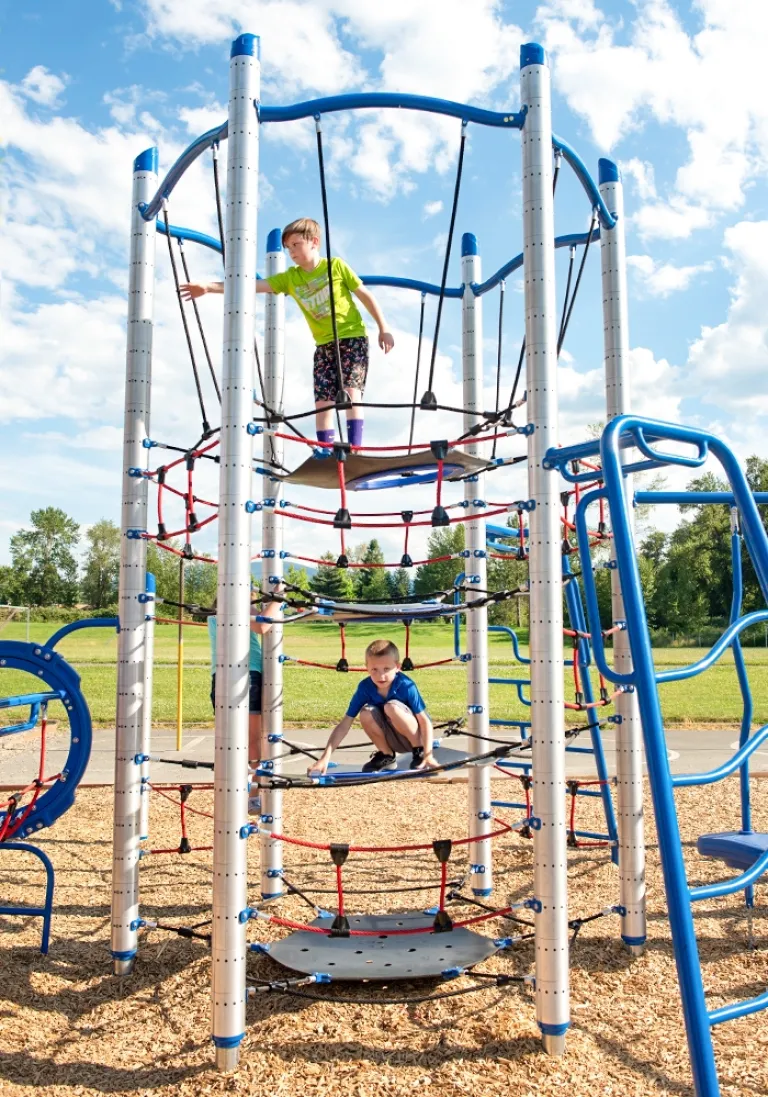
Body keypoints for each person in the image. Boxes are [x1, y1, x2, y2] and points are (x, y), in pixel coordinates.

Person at [180, 217, 394, 447]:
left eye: (296, 245)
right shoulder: (291, 278)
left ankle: (355, 448)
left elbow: (365, 295)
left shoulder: (335, 266)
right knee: (323, 402)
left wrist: (384, 328)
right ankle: (325, 450)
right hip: (323, 345)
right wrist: (208, 287)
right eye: (288, 248)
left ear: (314, 242)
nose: (291, 252)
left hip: (351, 337)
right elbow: (251, 286)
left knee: (351, 391)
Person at [307, 638, 438, 776]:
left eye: (386, 669)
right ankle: (387, 755)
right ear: (367, 668)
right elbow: (345, 724)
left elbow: (425, 721)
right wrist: (325, 758)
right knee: (365, 712)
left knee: (391, 707)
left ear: (397, 667)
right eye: (374, 669)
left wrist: (428, 753)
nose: (381, 675)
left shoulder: (406, 685)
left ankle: (419, 753)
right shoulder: (365, 687)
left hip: (416, 737)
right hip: (391, 738)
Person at [208, 594, 282, 808]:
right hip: (248, 675)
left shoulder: (213, 615)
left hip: (220, 678)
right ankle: (253, 794)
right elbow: (263, 626)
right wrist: (279, 597)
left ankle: (231, 792)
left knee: (229, 740)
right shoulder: (238, 608)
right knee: (252, 739)